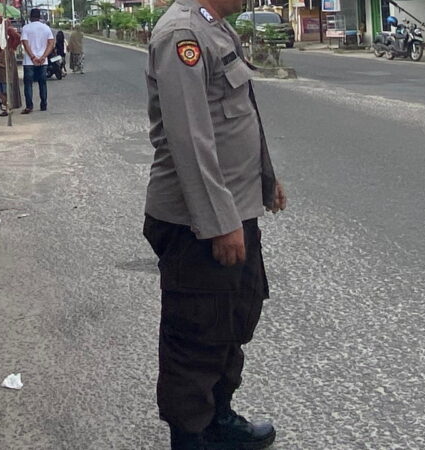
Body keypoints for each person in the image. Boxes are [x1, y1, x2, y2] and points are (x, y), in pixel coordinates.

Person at [143, 0, 287, 449]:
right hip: (198, 223)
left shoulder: (216, 27)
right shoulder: (181, 35)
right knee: (196, 334)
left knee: (232, 321)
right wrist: (218, 223)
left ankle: (218, 420)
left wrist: (266, 179)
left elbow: (239, 115)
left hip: (236, 208)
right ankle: (190, 437)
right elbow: (190, 138)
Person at [20, 8, 54, 114]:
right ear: (40, 17)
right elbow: (51, 43)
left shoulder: (26, 28)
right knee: (42, 83)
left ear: (30, 17)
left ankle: (29, 106)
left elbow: (25, 43)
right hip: (43, 62)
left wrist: (33, 57)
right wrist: (43, 57)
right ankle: (43, 104)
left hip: (29, 62)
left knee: (28, 84)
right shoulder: (46, 28)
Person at [0, 18, 22, 116]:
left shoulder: (8, 29)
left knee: (6, 82)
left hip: (7, 56)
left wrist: (12, 48)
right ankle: (7, 105)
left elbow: (18, 38)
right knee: (2, 87)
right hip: (2, 55)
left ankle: (9, 106)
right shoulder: (1, 30)